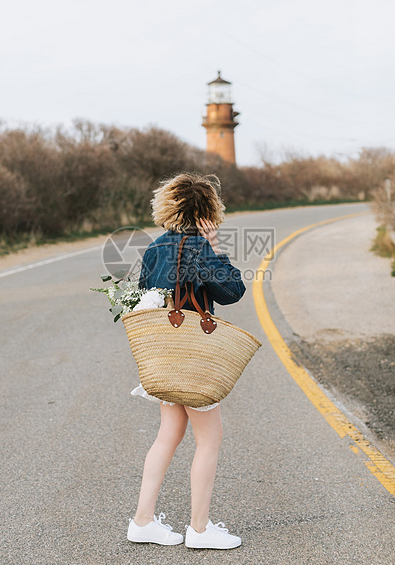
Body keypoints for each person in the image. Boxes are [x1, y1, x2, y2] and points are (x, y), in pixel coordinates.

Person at [127, 173, 246, 550]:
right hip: (194, 358)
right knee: (209, 440)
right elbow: (233, 292)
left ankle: (143, 520)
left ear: (168, 205)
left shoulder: (156, 247)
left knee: (168, 435)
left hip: (164, 355)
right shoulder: (201, 246)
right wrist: (216, 246)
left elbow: (146, 296)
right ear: (208, 210)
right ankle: (199, 529)